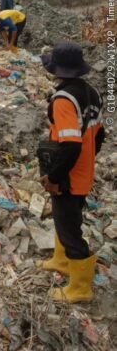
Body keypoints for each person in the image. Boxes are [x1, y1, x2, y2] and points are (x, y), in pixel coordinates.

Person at [38, 42, 105, 303]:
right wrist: (87, 161)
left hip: (68, 175)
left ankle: (80, 288)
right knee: (64, 218)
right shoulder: (92, 93)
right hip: (83, 171)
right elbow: (99, 136)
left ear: (57, 71)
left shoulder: (63, 100)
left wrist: (54, 177)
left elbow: (71, 144)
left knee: (70, 230)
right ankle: (62, 260)